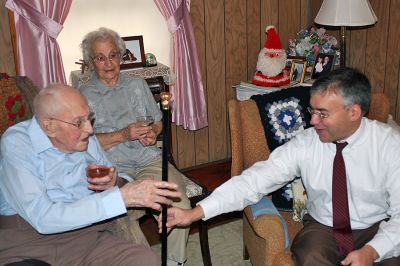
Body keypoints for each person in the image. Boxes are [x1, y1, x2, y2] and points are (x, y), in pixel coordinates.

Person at [161, 68, 400, 265]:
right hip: (323, 226)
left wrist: (372, 251)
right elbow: (253, 181)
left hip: (376, 225)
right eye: (312, 111)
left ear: (354, 112)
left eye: (322, 114)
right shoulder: (306, 143)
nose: (312, 121)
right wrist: (195, 213)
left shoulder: (390, 145)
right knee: (309, 257)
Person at [0, 84, 181, 265]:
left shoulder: (86, 139)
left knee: (146, 260)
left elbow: (121, 180)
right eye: (79, 122)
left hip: (86, 237)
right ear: (49, 127)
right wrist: (120, 198)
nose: (90, 129)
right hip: (29, 242)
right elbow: (43, 218)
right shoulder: (18, 143)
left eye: (89, 119)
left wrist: (115, 182)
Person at [79, 27, 190, 266]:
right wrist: (123, 134)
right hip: (112, 168)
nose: (108, 63)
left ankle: (174, 261)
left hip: (146, 158)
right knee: (122, 219)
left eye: (113, 55)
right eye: (100, 57)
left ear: (121, 56)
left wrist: (152, 133)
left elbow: (157, 121)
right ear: (91, 62)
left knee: (179, 202)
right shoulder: (83, 96)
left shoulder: (136, 86)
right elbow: (81, 142)